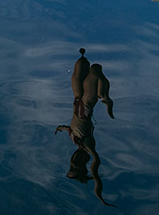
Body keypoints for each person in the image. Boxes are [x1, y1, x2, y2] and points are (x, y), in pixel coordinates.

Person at [57, 48, 115, 206]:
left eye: (71, 165)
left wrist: (60, 128)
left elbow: (69, 129)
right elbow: (96, 168)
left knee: (81, 64)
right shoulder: (88, 145)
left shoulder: (75, 141)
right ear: (83, 166)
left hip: (76, 100)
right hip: (87, 105)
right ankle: (105, 97)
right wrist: (99, 193)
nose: (73, 163)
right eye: (75, 167)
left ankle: (103, 93)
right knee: (95, 70)